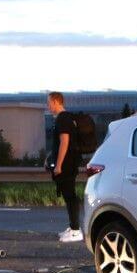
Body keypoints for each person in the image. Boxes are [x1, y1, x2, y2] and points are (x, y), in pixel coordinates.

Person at [47, 91, 82, 242]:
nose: (48, 105)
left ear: (56, 101)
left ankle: (75, 231)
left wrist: (59, 165)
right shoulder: (65, 118)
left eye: (49, 102)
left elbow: (64, 142)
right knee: (69, 196)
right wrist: (48, 158)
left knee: (70, 196)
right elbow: (58, 143)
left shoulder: (63, 119)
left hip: (67, 164)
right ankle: (73, 227)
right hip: (69, 163)